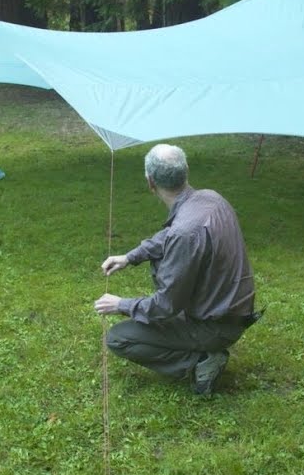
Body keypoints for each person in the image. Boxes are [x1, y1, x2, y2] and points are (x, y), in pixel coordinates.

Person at [95, 143, 260, 396]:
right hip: (233, 309)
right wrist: (130, 256)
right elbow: (172, 235)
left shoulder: (185, 233)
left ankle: (202, 362)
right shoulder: (211, 198)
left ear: (150, 182)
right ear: (186, 171)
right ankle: (203, 351)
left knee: (119, 337)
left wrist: (121, 305)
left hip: (216, 324)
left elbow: (165, 306)